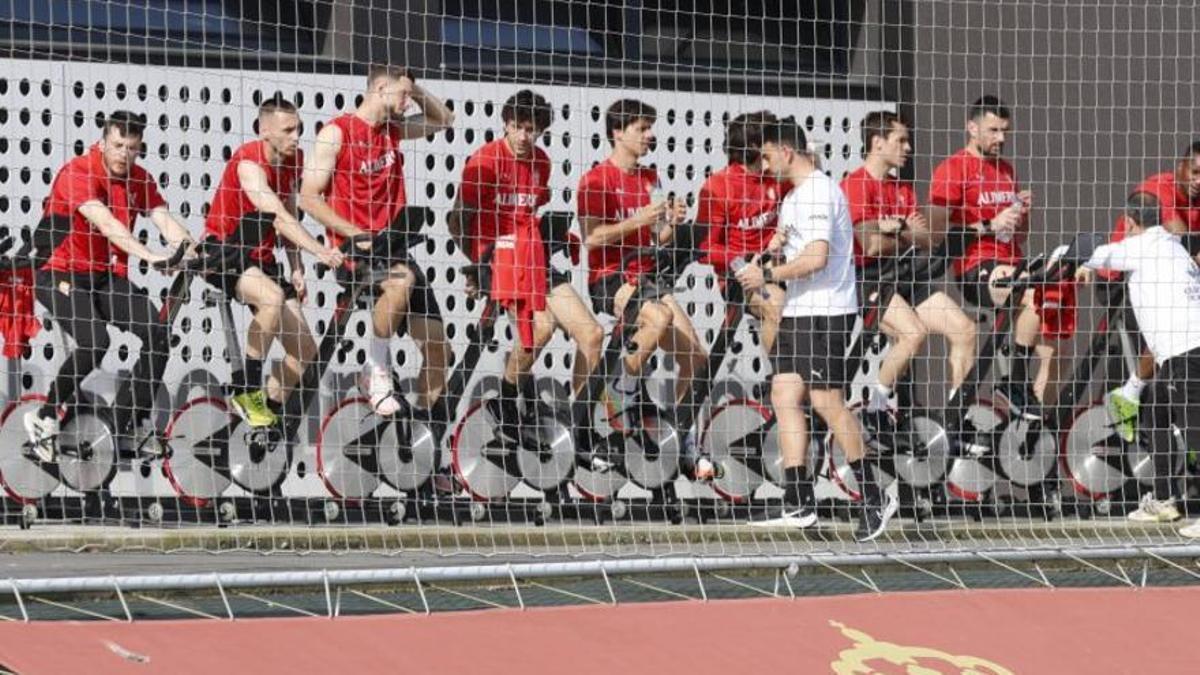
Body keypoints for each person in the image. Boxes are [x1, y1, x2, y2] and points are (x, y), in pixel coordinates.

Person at [741, 116, 896, 542]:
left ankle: (873, 495)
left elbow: (817, 259)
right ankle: (798, 500)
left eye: (768, 154)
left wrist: (768, 278)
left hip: (825, 310)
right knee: (785, 392)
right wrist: (767, 256)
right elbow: (789, 245)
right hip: (800, 309)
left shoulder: (818, 193)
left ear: (787, 151)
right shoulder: (793, 197)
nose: (764, 162)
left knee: (827, 400)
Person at [447, 89, 607, 470]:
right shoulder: (484, 161)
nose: (523, 137)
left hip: (532, 257)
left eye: (531, 130)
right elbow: (456, 219)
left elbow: (530, 215)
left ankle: (578, 427)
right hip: (498, 261)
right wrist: (477, 266)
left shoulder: (542, 164)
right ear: (506, 123)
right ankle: (506, 401)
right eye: (517, 127)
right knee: (541, 331)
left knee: (593, 334)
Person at [23, 111, 194, 461]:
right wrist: (152, 257)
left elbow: (164, 220)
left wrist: (189, 250)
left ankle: (124, 424)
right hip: (58, 272)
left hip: (101, 277)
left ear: (139, 148)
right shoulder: (78, 173)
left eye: (131, 148)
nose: (123, 154)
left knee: (158, 332)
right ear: (103, 142)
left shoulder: (139, 179)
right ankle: (44, 418)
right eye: (117, 145)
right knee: (96, 341)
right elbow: (108, 224)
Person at [299, 65, 453, 417]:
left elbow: (445, 120)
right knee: (403, 281)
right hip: (355, 250)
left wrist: (412, 88)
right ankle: (375, 369)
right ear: (380, 87)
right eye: (401, 94)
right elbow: (308, 198)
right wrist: (356, 234)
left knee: (439, 350)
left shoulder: (392, 131)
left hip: (393, 249)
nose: (407, 102)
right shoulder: (336, 133)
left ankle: (422, 441)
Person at [576, 98, 709, 475]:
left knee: (696, 359)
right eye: (641, 128)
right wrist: (637, 221)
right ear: (618, 133)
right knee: (657, 316)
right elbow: (591, 238)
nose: (650, 135)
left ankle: (684, 440)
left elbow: (658, 238)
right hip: (611, 279)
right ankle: (620, 394)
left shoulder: (650, 178)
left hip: (648, 278)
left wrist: (672, 223)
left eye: (650, 128)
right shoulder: (596, 180)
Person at [202, 95, 342, 427]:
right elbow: (278, 217)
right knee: (272, 298)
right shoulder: (248, 163)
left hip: (261, 260)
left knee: (307, 353)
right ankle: (245, 391)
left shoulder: (295, 160)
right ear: (265, 131)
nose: (296, 136)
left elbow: (292, 212)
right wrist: (319, 250)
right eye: (289, 130)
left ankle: (262, 417)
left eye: (299, 129)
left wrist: (296, 265)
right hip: (223, 253)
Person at [840, 110, 977, 446]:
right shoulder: (856, 185)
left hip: (903, 275)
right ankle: (875, 406)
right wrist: (903, 231)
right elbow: (870, 244)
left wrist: (895, 230)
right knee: (912, 335)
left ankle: (956, 420)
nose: (908, 147)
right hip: (868, 279)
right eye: (900, 140)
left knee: (965, 329)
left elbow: (927, 239)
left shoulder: (902, 189)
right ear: (877, 142)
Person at [1075, 192, 1200, 529]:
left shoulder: (1139, 247)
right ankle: (1162, 499)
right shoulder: (1172, 244)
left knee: (1195, 430)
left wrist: (1074, 261)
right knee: (1157, 406)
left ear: (1130, 222)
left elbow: (1090, 252)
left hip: (1188, 351)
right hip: (1182, 350)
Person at [928, 96, 1050, 428]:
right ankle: (1014, 384)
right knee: (1028, 292)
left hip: (1011, 259)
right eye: (993, 130)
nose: (1001, 138)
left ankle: (1031, 429)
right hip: (975, 266)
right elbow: (936, 234)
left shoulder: (1006, 170)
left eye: (1005, 131)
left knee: (1054, 328)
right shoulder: (952, 169)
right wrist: (988, 225)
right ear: (972, 127)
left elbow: (1019, 235)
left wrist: (1022, 213)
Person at [1101, 142, 1200, 442]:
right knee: (1175, 328)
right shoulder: (1159, 189)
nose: (1199, 181)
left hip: (1167, 280)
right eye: (1195, 172)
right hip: (1121, 280)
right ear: (1180, 167)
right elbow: (1181, 242)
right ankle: (1130, 394)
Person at [699, 110, 787, 355]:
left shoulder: (778, 176)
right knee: (777, 304)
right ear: (755, 145)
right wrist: (743, 262)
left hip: (783, 269)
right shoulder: (718, 185)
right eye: (774, 140)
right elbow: (704, 248)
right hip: (740, 279)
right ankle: (783, 382)